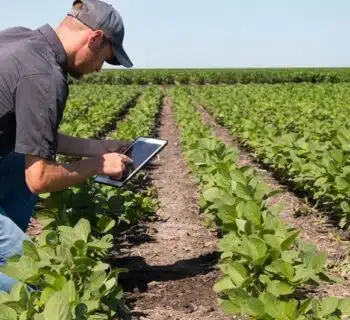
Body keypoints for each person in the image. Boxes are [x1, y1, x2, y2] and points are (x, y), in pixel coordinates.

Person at [0, 0, 134, 293]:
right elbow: (40, 179)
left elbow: (35, 136)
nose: (99, 70)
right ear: (95, 38)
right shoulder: (45, 76)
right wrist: (99, 165)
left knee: (19, 158)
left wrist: (98, 147)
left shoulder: (19, 38)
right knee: (41, 283)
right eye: (105, 58)